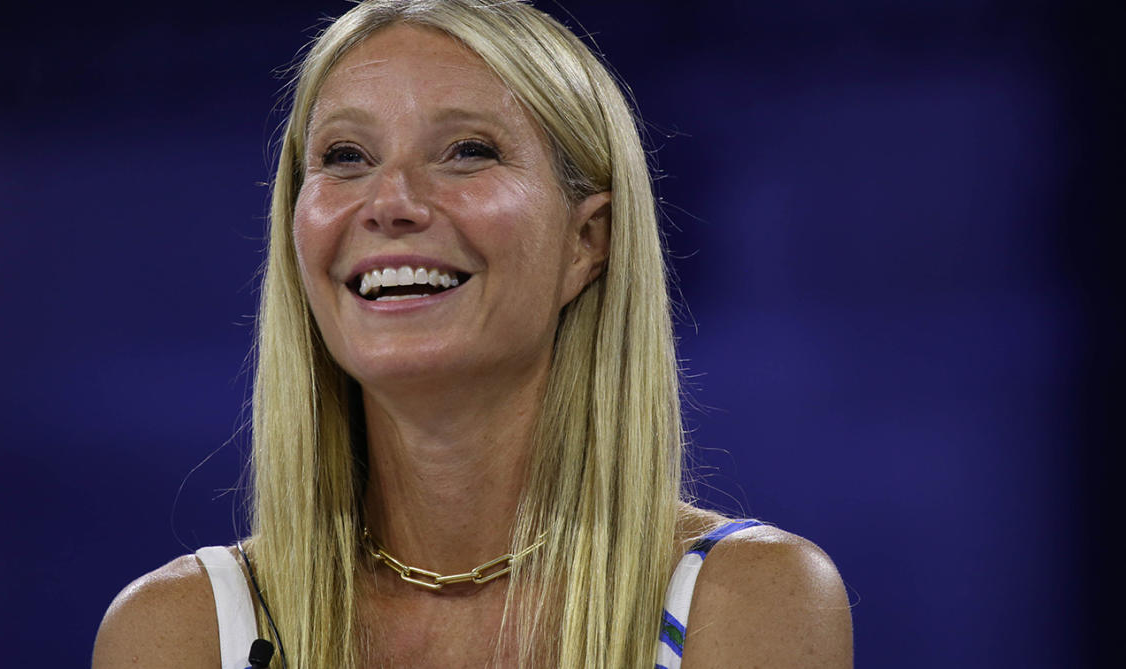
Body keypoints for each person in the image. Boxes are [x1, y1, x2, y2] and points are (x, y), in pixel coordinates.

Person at [92, 1, 853, 667]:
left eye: (467, 151)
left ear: (588, 242)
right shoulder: (179, 633)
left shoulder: (747, 602)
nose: (390, 202)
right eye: (345, 157)